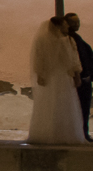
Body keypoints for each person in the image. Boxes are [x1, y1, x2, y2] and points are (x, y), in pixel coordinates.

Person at [28, 15, 86, 145]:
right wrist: (77, 75)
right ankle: (65, 134)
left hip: (50, 77)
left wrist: (40, 75)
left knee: (49, 103)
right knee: (65, 103)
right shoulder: (67, 41)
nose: (67, 26)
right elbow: (73, 61)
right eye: (65, 24)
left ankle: (45, 133)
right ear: (59, 26)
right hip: (63, 76)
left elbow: (38, 59)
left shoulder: (41, 40)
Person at [67, 12, 93, 141]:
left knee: (85, 109)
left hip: (85, 80)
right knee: (78, 109)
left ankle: (84, 133)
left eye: (78, 22)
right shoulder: (69, 39)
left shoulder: (77, 38)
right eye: (74, 23)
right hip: (77, 82)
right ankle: (80, 134)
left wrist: (92, 74)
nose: (77, 25)